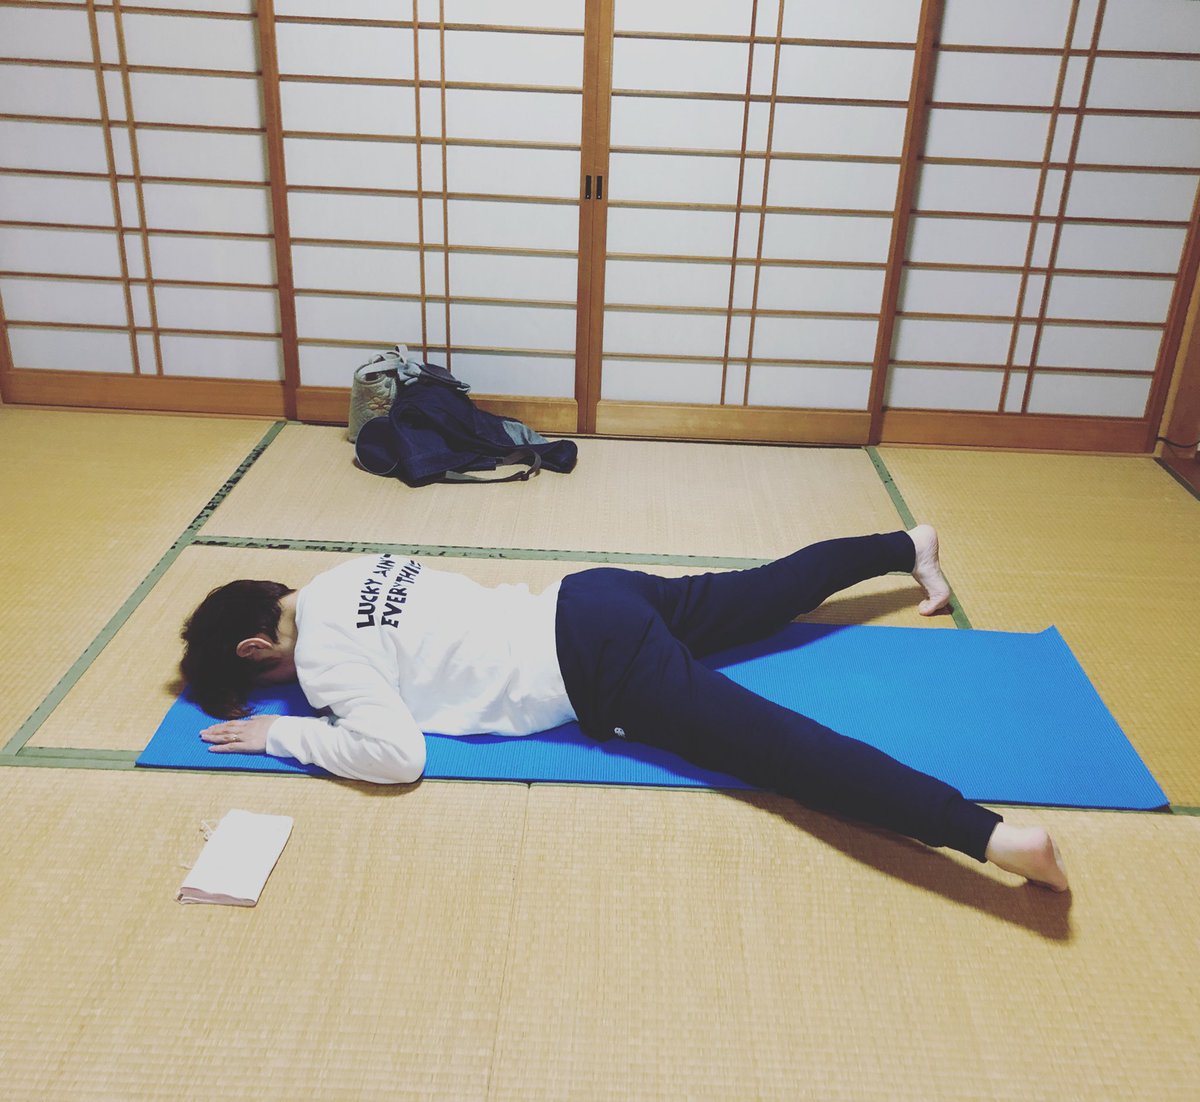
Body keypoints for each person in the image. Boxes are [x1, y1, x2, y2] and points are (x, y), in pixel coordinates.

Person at [181, 525, 1069, 892]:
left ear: (257, 649)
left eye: (262, 680)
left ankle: (991, 836)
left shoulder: (321, 659)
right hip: (593, 595)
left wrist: (282, 733)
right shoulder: (340, 574)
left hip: (593, 665)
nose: (279, 689)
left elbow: (395, 755)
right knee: (762, 594)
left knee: (779, 749)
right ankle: (907, 544)